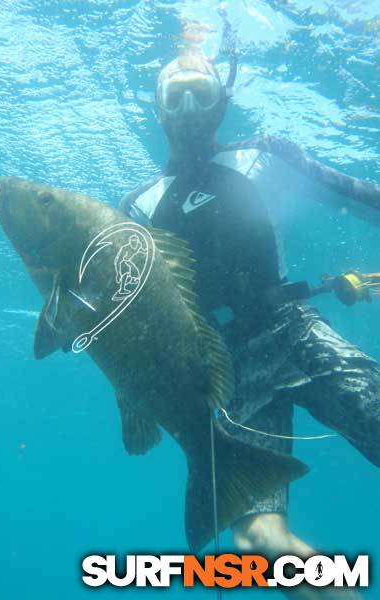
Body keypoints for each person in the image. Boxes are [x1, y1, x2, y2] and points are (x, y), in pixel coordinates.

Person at [119, 29, 380, 600]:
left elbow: (359, 195)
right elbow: (132, 313)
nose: (189, 110)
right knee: (260, 538)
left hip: (296, 332)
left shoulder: (265, 154)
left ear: (223, 99)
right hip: (225, 368)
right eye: (176, 97)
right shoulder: (136, 207)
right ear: (159, 110)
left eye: (200, 94)